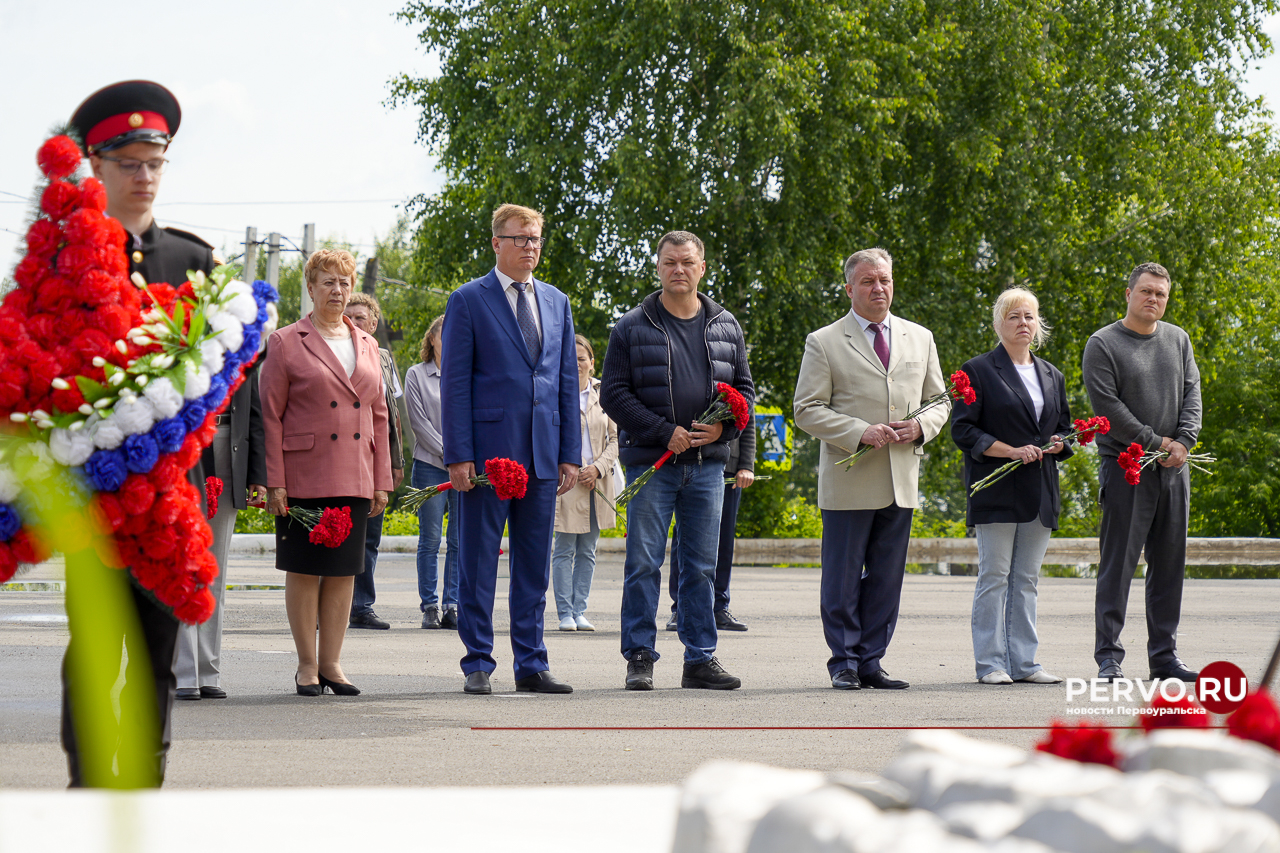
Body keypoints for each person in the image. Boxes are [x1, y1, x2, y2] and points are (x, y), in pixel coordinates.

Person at [61, 79, 217, 785]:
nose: (144, 176)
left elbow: (215, 385)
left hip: (165, 500)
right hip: (92, 502)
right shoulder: (60, 261)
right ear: (95, 165)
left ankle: (145, 785)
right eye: (129, 162)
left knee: (158, 650)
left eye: (154, 162)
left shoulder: (192, 262)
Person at [600, 230, 754, 691]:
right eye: (670, 262)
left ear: (702, 267)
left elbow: (744, 390)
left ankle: (699, 658)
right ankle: (640, 656)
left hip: (709, 466)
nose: (679, 270)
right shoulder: (632, 325)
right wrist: (664, 432)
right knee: (644, 562)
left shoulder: (726, 325)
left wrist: (725, 429)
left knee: (701, 565)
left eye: (687, 262)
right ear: (659, 267)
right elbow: (614, 394)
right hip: (652, 463)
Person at [793, 247, 949, 691]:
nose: (878, 288)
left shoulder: (920, 337)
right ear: (849, 288)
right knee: (841, 579)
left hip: (901, 479)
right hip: (849, 478)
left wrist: (919, 426)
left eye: (884, 280)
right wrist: (859, 431)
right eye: (867, 281)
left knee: (886, 577)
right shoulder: (823, 341)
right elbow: (806, 410)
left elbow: (940, 402)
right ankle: (842, 659)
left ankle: (871, 661)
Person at [441, 204, 580, 695]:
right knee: (477, 562)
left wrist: (569, 452)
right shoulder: (468, 300)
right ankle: (478, 660)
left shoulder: (557, 301)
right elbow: (455, 384)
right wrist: (458, 454)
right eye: (520, 238)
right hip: (486, 458)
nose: (530, 247)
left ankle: (532, 663)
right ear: (496, 243)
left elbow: (566, 381)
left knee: (534, 565)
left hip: (543, 455)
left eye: (536, 238)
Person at [260, 249, 392, 696]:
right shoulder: (284, 342)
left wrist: (382, 479)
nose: (338, 291)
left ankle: (333, 664)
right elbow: (270, 416)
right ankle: (306, 665)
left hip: (355, 471)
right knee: (304, 569)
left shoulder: (369, 344)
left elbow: (379, 415)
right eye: (328, 282)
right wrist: (274, 480)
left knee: (342, 571)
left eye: (345, 282)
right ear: (310, 287)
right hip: (304, 472)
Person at [1083, 262, 1202, 683]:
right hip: (1126, 469)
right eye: (1146, 291)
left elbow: (1192, 395)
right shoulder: (1103, 344)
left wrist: (1183, 442)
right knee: (1118, 565)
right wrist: (1158, 443)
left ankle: (1164, 657)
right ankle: (1109, 658)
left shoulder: (1178, 340)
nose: (1154, 299)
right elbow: (1109, 410)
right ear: (1128, 293)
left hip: (1175, 469)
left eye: (1161, 294)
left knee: (1169, 565)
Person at [951, 287, 1072, 686]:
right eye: (1014, 316)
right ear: (999, 324)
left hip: (1040, 493)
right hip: (996, 490)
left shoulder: (1052, 374)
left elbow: (1063, 429)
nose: (1023, 323)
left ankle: (1025, 663)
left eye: (1029, 317)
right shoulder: (979, 369)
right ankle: (990, 664)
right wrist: (1010, 452)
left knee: (1027, 580)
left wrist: (1060, 443)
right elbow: (964, 430)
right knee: (995, 576)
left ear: (1039, 325)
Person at [175, 369, 268, 700]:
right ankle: (182, 672)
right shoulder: (178, 333)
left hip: (230, 450)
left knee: (214, 569)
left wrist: (258, 475)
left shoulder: (242, 338)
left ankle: (208, 670)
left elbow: (254, 414)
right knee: (182, 566)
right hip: (184, 452)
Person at [343, 292, 406, 631]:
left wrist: (395, 463)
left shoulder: (382, 358)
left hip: (373, 457)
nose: (354, 322)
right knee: (335, 531)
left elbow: (391, 414)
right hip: (338, 457)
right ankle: (328, 607)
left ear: (374, 323)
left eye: (361, 318)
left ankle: (362, 606)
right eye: (349, 316)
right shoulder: (334, 350)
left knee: (369, 535)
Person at [552, 335, 619, 633]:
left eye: (582, 358)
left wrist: (598, 468)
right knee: (564, 548)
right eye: (572, 358)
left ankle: (580, 611)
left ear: (592, 362)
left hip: (598, 481)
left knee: (588, 550)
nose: (577, 363)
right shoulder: (556, 392)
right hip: (567, 481)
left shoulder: (605, 394)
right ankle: (565, 613)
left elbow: (617, 439)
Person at [665, 425, 756, 633]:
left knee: (723, 540)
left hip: (729, 466)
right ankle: (681, 607)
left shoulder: (740, 389)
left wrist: (746, 465)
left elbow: (747, 421)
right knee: (685, 537)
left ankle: (719, 607)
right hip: (690, 461)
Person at [404, 316, 460, 629]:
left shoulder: (465, 373)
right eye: (444, 334)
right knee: (430, 539)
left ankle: (452, 604)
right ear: (432, 339)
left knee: (458, 540)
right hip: (430, 466)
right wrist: (450, 453)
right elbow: (419, 423)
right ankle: (430, 605)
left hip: (464, 470)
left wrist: (463, 457)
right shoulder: (416, 374)